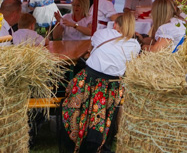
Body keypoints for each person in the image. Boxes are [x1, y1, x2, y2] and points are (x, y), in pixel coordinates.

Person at [60, 12, 140, 153]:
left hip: (87, 80)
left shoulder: (102, 34)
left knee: (76, 110)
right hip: (110, 86)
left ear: (115, 25)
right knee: (104, 117)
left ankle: (75, 142)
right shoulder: (134, 45)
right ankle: (98, 144)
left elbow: (92, 48)